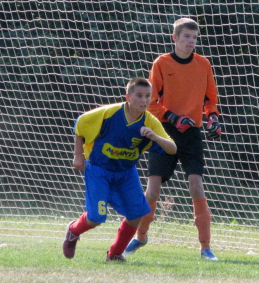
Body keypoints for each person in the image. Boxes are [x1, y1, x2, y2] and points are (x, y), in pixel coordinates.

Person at [123, 18, 222, 261]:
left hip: (191, 135)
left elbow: (211, 99)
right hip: (164, 131)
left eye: (195, 37)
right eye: (187, 36)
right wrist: (173, 117)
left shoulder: (203, 64)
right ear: (175, 38)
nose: (191, 41)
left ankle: (205, 248)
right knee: (152, 190)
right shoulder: (162, 63)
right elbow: (151, 102)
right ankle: (140, 236)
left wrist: (213, 118)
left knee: (196, 185)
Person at [63, 77, 177, 262]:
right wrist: (78, 155)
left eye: (148, 96)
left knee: (136, 215)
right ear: (128, 97)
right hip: (99, 170)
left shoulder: (150, 122)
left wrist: (155, 137)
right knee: (96, 218)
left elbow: (172, 149)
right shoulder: (109, 113)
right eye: (139, 96)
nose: (144, 100)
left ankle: (115, 254)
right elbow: (80, 124)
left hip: (126, 173)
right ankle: (73, 230)